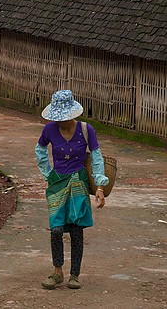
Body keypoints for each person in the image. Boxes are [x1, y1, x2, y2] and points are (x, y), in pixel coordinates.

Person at [35, 89, 108, 290]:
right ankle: (57, 272)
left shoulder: (86, 129)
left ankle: (74, 275)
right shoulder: (49, 130)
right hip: (57, 183)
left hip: (78, 183)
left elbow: (97, 157)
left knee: (76, 229)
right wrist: (48, 174)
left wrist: (100, 186)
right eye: (58, 118)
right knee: (56, 228)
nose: (61, 122)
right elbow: (40, 150)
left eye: (64, 118)